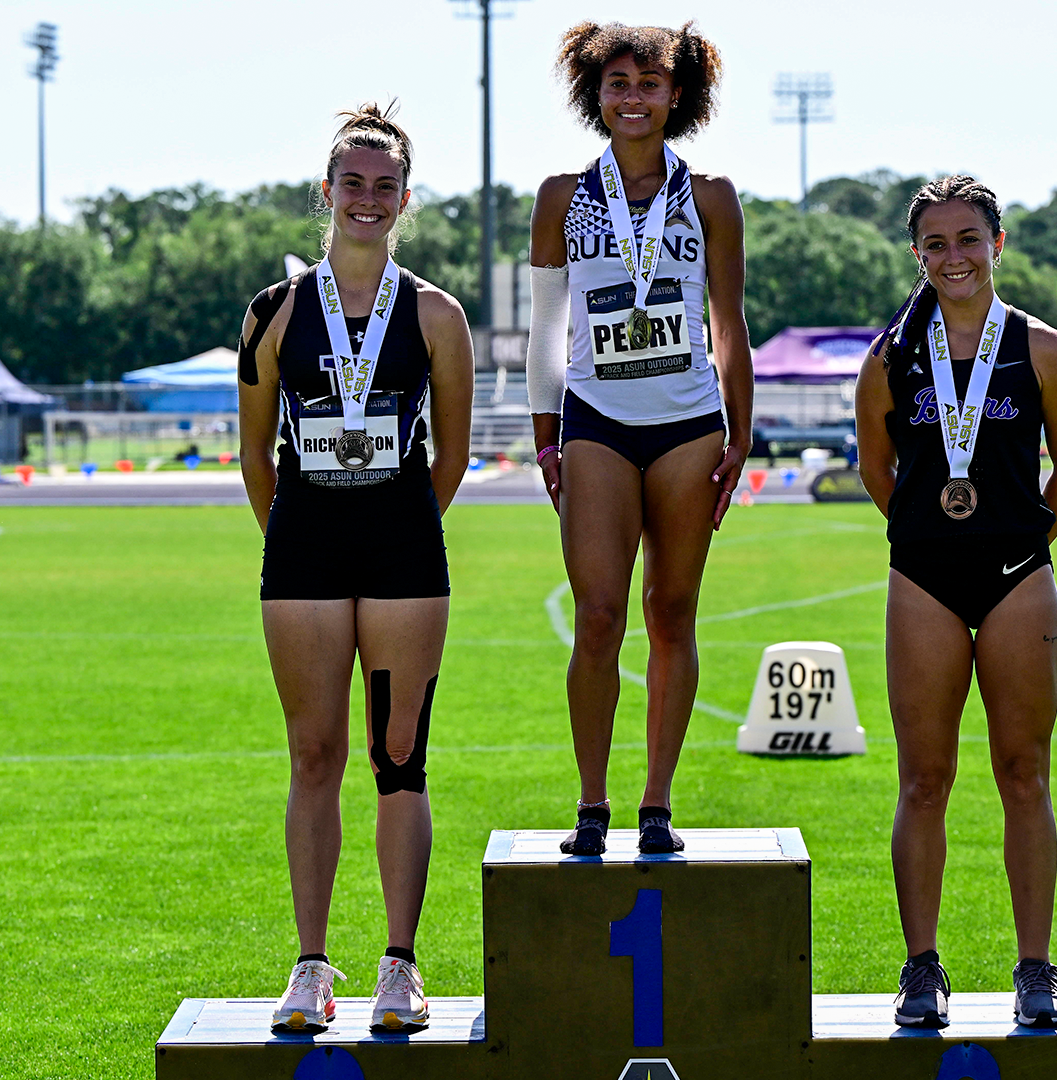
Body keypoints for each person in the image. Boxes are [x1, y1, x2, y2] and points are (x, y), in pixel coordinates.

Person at [236, 103, 474, 1036]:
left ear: (404, 200)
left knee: (399, 760)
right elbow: (255, 453)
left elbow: (448, 456)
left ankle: (400, 964)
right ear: (324, 194)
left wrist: (397, 517)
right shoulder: (272, 312)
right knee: (313, 755)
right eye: (353, 183)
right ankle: (308, 963)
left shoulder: (436, 315)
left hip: (404, 548)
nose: (367, 200)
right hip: (303, 548)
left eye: (385, 186)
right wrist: (296, 528)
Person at [853, 176, 1057, 1030]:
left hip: (1018, 577)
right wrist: (930, 533)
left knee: (1023, 775)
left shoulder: (1041, 347)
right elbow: (876, 469)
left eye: (968, 239)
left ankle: (1036, 968)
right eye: (935, 244)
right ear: (916, 255)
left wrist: (1023, 543)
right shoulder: (891, 355)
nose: (952, 256)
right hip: (922, 579)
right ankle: (922, 969)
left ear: (998, 244)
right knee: (924, 781)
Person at [525, 21, 752, 857]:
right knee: (598, 615)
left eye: (649, 83)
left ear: (677, 95)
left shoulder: (714, 197)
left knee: (673, 612)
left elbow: (727, 323)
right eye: (617, 82)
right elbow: (549, 328)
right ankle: (592, 805)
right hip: (596, 421)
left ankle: (657, 803)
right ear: (596, 93)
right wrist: (545, 438)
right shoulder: (560, 197)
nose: (633, 97)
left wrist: (741, 432)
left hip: (691, 423)